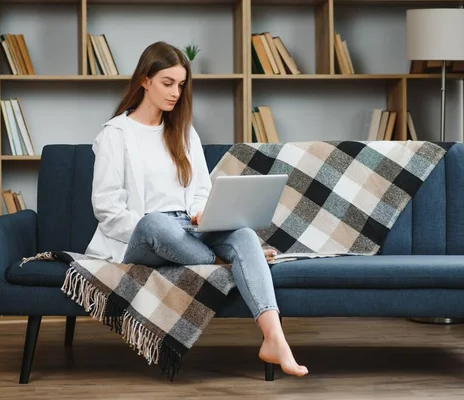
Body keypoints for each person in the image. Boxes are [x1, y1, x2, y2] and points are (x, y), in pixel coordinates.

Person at [85, 41, 308, 377]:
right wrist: (171, 227)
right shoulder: (115, 134)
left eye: (181, 85)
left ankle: (274, 339)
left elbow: (202, 190)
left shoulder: (184, 131)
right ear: (144, 80)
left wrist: (204, 214)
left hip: (190, 229)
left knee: (245, 234)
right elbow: (107, 209)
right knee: (156, 224)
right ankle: (222, 260)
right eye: (167, 83)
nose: (176, 92)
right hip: (144, 234)